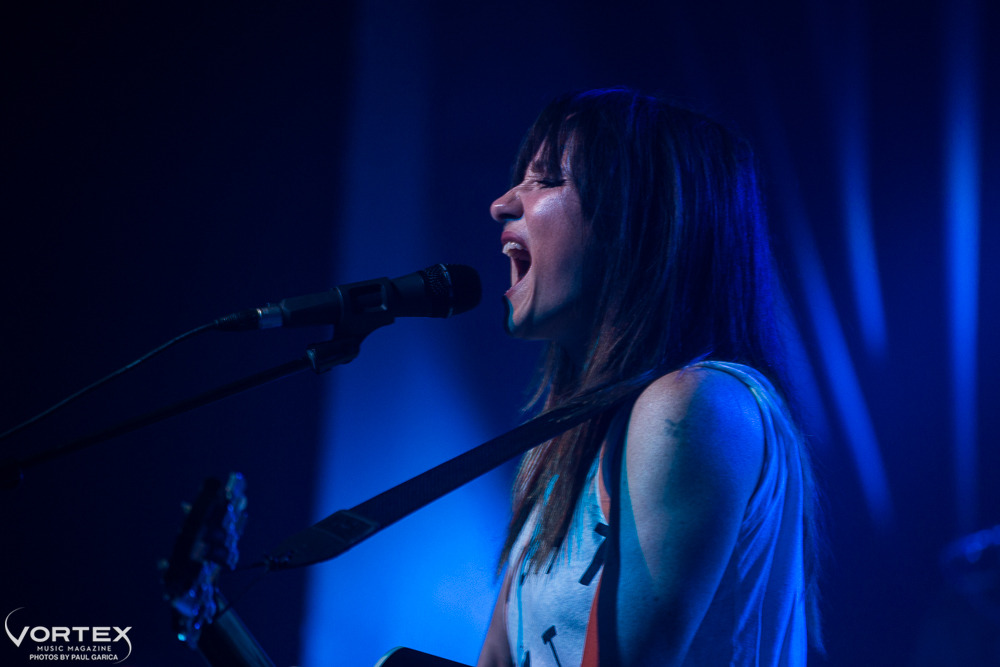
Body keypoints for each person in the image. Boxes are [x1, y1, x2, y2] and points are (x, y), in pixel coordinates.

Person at [476, 89, 822, 667]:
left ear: (639, 221)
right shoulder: (559, 450)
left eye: (547, 179)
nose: (502, 203)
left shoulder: (695, 404)